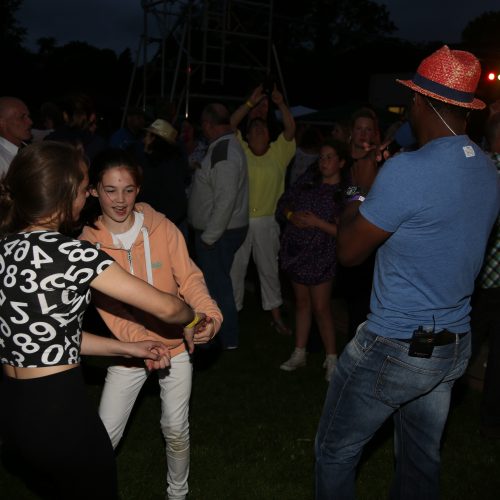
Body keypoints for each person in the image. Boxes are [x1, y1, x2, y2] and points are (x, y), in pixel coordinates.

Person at [315, 45, 500, 500]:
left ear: (422, 102)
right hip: (451, 344)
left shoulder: (407, 170)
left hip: (394, 345)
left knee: (334, 452)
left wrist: (358, 186)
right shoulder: (488, 170)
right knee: (419, 461)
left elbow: (350, 251)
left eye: (411, 100)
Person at [0, 141, 210, 500]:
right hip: (59, 408)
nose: (88, 199)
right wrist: (194, 318)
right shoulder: (74, 253)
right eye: (85, 191)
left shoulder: (6, 248)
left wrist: (127, 346)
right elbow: (168, 308)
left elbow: (55, 337)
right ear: (67, 195)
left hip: (15, 413)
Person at [79, 148, 221, 500]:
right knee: (104, 437)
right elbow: (109, 307)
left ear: (139, 188)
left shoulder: (162, 227)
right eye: (110, 190)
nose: (120, 199)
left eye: (128, 189)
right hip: (127, 351)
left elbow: (188, 278)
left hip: (177, 343)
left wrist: (208, 314)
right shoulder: (87, 245)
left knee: (175, 428)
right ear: (94, 190)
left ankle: (178, 494)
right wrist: (141, 343)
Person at [277, 139, 349, 381]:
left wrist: (317, 223)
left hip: (322, 254)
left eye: (330, 157)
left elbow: (348, 231)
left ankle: (332, 359)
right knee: (302, 304)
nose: (324, 161)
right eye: (321, 157)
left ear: (341, 162)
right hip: (297, 251)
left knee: (321, 307)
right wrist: (291, 215)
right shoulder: (308, 182)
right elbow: (283, 202)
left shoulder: (349, 191)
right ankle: (299, 353)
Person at [230, 85, 296, 335]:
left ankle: (276, 317)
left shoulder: (279, 154)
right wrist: (249, 103)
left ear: (269, 134)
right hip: (240, 220)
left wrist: (280, 104)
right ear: (247, 135)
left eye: (263, 127)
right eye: (253, 127)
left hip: (268, 222)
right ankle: (231, 313)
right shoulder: (241, 151)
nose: (258, 128)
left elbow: (290, 129)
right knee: (235, 269)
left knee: (269, 271)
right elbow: (230, 124)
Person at [188, 103, 249, 350]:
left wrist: (209, 238)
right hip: (220, 231)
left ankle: (226, 339)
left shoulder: (224, 152)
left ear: (208, 125)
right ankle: (221, 336)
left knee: (218, 287)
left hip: (219, 234)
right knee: (217, 284)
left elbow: (225, 199)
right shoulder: (223, 147)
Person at [472, 111, 500, 439]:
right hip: (491, 280)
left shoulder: (476, 166)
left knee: (459, 346)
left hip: (473, 276)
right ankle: (491, 421)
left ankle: (435, 405)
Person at [138, 118, 190, 237]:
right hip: (171, 225)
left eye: (147, 136)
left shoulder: (161, 168)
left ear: (154, 139)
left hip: (165, 229)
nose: (143, 140)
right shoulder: (172, 163)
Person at [0, 96, 32, 175]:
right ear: (1, 123)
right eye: (22, 117)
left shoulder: (30, 149)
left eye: (28, 116)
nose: (30, 122)